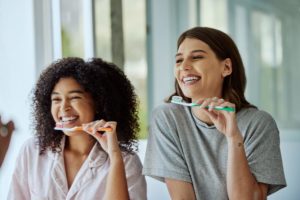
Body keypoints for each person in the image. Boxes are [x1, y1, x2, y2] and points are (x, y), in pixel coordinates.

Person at [143, 27, 286, 199]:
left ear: (226, 67)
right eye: (179, 60)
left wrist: (234, 139)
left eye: (196, 57)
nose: (184, 67)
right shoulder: (167, 118)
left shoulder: (259, 124)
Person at [8, 57, 147, 200]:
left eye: (74, 97)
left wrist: (115, 157)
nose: (63, 108)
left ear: (98, 103)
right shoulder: (32, 151)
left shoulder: (126, 161)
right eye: (56, 99)